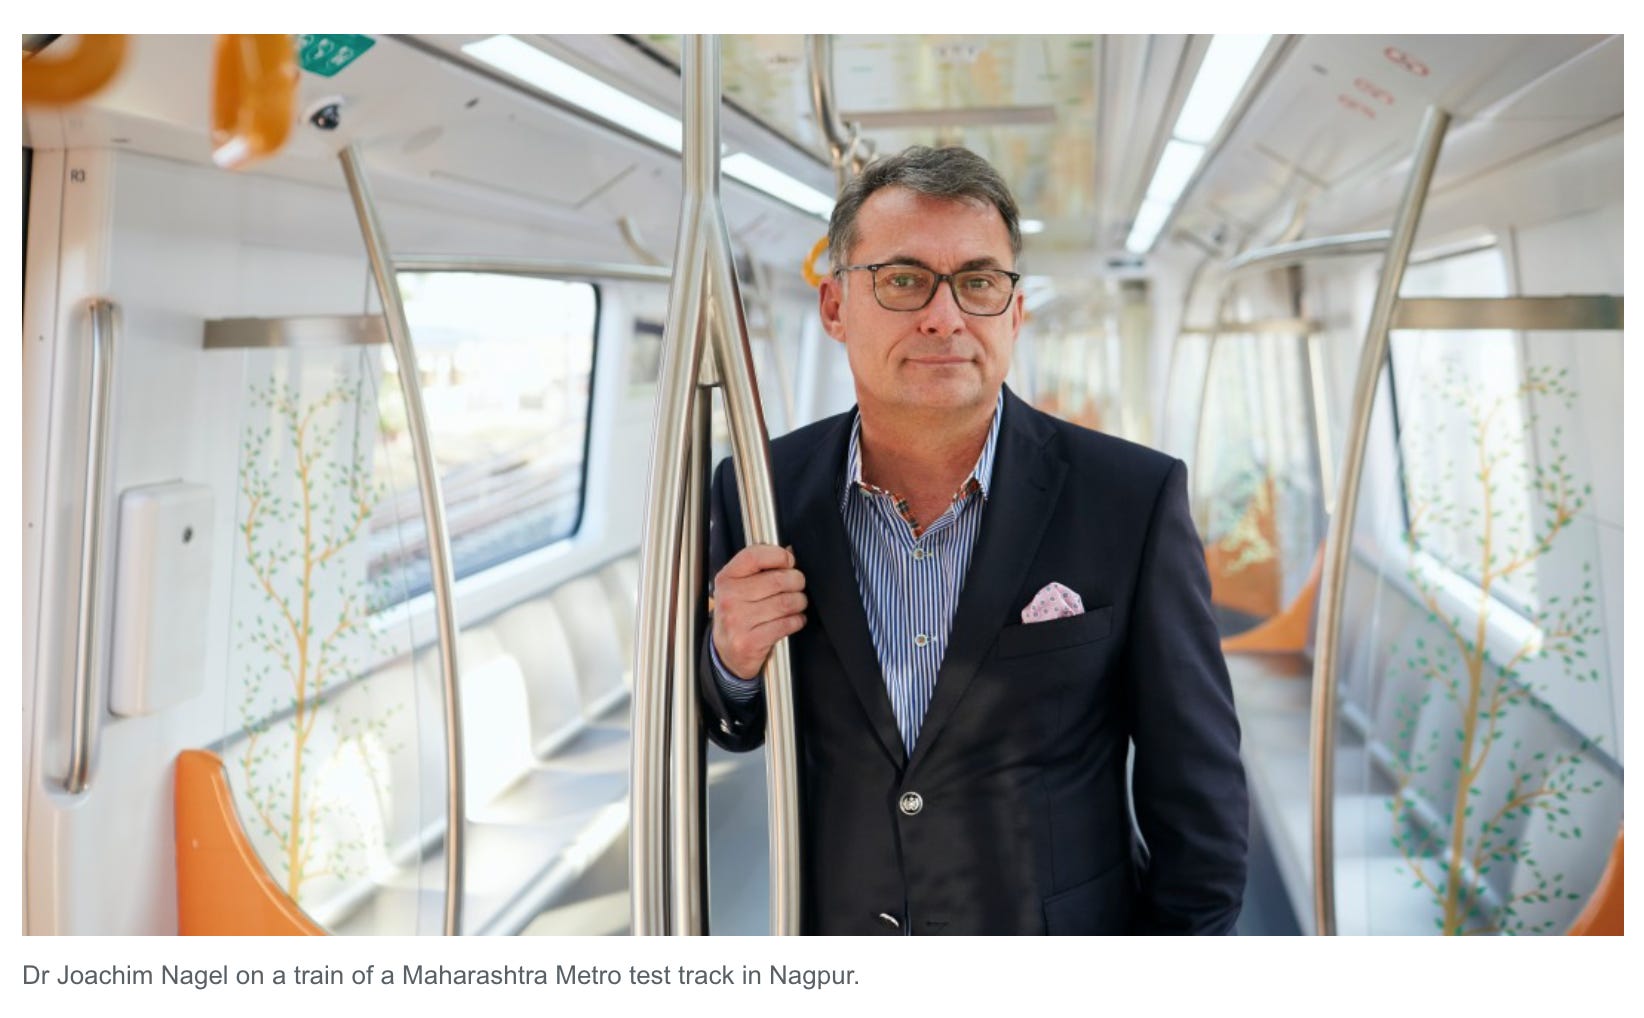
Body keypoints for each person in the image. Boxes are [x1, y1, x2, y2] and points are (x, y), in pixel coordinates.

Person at [699, 145, 1247, 935]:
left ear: (1014, 313)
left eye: (979, 282)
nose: (945, 317)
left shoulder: (1130, 498)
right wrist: (732, 660)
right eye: (903, 279)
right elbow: (733, 723)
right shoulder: (759, 491)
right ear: (835, 307)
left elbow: (1197, 790)